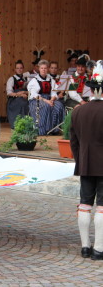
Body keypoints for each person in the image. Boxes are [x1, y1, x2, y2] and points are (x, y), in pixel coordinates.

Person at [70, 60, 103, 260]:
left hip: (85, 163)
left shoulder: (78, 111)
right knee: (102, 206)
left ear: (90, 90)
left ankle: (85, 246)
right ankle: (99, 248)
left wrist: (80, 159)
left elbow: (73, 142)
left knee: (84, 204)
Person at [27, 60, 65, 135]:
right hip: (37, 100)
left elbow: (54, 92)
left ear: (47, 69)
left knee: (59, 105)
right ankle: (42, 130)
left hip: (49, 99)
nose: (43, 70)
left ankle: (54, 129)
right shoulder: (34, 80)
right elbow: (34, 94)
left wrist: (52, 100)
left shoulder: (51, 80)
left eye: (45, 68)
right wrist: (46, 101)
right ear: (39, 69)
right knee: (46, 106)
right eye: (42, 68)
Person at [6, 60, 29, 129]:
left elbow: (31, 90)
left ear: (23, 69)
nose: (19, 70)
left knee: (31, 103)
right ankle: (19, 124)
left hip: (26, 96)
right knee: (22, 103)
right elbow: (9, 93)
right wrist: (19, 94)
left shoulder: (27, 79)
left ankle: (28, 124)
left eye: (21, 68)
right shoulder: (11, 79)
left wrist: (24, 92)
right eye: (18, 68)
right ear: (15, 69)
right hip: (14, 98)